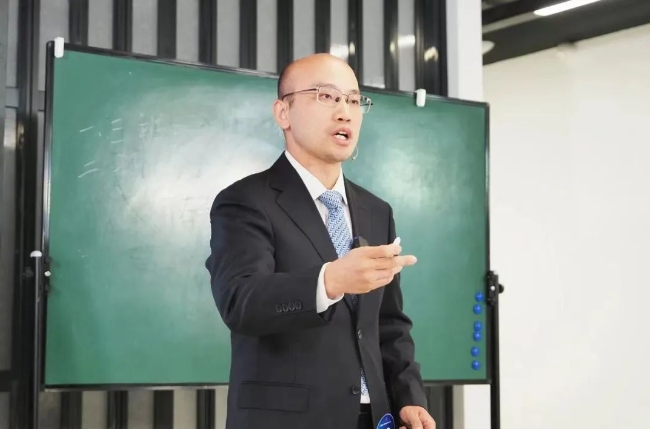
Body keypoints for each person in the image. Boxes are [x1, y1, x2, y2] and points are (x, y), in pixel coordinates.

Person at [205, 53, 435, 429]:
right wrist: (330, 281)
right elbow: (241, 303)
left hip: (376, 417)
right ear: (283, 112)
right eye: (326, 96)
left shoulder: (377, 211)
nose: (345, 112)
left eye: (354, 100)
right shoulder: (245, 201)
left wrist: (408, 396)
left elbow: (388, 323)